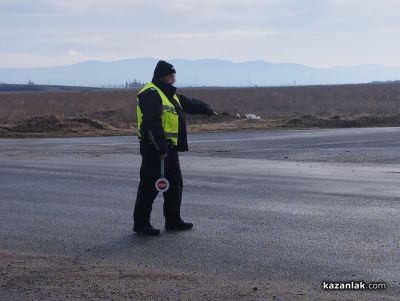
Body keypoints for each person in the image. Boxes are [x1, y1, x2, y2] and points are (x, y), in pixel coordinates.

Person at [133, 60, 217, 235]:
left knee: (175, 185)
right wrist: (160, 147)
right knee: (149, 186)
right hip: (155, 149)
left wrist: (206, 108)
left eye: (174, 75)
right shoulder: (150, 93)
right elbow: (151, 123)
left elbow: (190, 103)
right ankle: (141, 224)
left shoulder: (170, 94)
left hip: (170, 149)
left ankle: (173, 221)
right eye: (171, 76)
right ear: (162, 76)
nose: (174, 79)